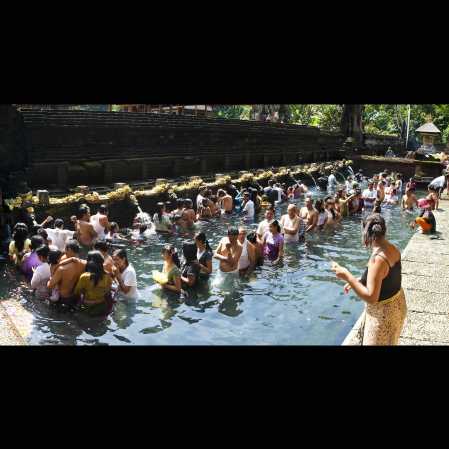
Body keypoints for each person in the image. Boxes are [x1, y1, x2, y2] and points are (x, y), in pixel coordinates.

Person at [331, 213, 406, 345]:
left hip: (383, 315)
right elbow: (386, 276)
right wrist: (362, 280)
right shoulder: (392, 248)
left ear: (365, 233)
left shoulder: (377, 259)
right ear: (384, 230)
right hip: (397, 306)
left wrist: (348, 276)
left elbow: (372, 297)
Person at [47, 239, 86, 309]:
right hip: (76, 298)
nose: (64, 251)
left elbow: (50, 286)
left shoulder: (62, 268)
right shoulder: (84, 264)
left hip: (63, 299)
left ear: (69, 249)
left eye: (65, 248)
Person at [74, 251, 113, 316]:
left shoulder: (84, 276)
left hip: (87, 307)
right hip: (102, 306)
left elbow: (77, 292)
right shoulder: (107, 275)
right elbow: (108, 290)